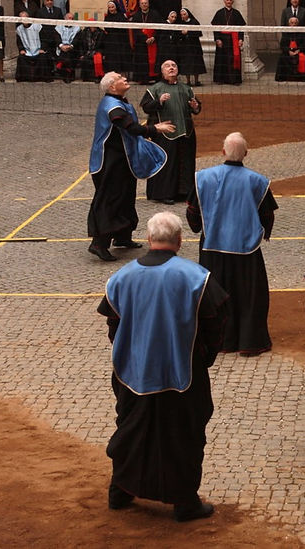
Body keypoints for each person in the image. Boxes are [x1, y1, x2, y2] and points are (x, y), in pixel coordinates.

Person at [100, 211, 229, 522]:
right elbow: (215, 323)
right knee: (183, 435)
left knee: (130, 430)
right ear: (180, 240)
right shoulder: (196, 277)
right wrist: (204, 357)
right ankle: (184, 502)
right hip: (182, 372)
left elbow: (113, 323)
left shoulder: (122, 277)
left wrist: (131, 350)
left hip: (132, 372)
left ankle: (121, 491)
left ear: (148, 239)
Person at [187, 132, 277, 356]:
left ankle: (221, 341)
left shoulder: (203, 178)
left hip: (212, 248)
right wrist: (264, 233)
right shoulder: (257, 181)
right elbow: (267, 214)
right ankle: (249, 342)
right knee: (250, 296)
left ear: (223, 151)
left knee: (215, 295)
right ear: (246, 153)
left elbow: (193, 212)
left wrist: (199, 227)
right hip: (247, 249)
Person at [87, 72, 174, 261]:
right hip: (108, 161)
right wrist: (154, 129)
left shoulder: (120, 101)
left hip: (123, 159)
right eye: (120, 78)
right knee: (110, 200)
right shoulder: (112, 106)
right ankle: (98, 243)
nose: (125, 78)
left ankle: (122, 236)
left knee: (126, 196)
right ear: (112, 87)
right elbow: (131, 128)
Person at [140, 60, 201, 204]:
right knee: (168, 164)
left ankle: (184, 192)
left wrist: (195, 106)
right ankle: (164, 193)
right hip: (164, 132)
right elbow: (146, 107)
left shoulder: (186, 88)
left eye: (174, 66)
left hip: (186, 132)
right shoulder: (155, 89)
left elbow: (196, 107)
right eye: (167, 66)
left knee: (186, 163)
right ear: (162, 72)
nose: (171, 68)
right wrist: (159, 101)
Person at [210, 0, 245, 85]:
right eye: (227, 0)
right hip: (222, 39)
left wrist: (240, 39)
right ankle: (220, 79)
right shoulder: (219, 13)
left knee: (233, 60)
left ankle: (234, 80)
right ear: (224, 2)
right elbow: (215, 27)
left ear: (233, 2)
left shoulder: (237, 13)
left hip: (233, 40)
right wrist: (217, 39)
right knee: (221, 59)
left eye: (230, 0)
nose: (229, 2)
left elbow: (241, 28)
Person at [131, 0, 161, 84]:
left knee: (154, 60)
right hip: (141, 43)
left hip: (153, 41)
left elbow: (159, 27)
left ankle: (154, 77)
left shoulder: (155, 14)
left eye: (146, 3)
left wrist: (153, 37)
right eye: (142, 3)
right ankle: (143, 79)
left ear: (148, 4)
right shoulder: (136, 15)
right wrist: (145, 39)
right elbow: (135, 30)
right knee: (142, 60)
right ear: (139, 5)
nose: (144, 5)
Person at [15, 11, 49, 82]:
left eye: (25, 18)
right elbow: (19, 42)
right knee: (21, 58)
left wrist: (43, 48)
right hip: (27, 50)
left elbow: (44, 38)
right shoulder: (19, 29)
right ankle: (24, 77)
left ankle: (42, 77)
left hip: (38, 50)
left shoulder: (37, 26)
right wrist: (21, 49)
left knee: (43, 57)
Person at [176, 8, 207, 86]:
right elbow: (177, 34)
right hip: (185, 47)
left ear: (188, 14)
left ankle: (196, 81)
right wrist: (182, 34)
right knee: (186, 64)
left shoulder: (194, 22)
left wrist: (188, 32)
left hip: (194, 47)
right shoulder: (180, 23)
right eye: (181, 15)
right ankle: (188, 81)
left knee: (196, 63)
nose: (183, 16)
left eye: (184, 14)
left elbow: (199, 33)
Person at [102, 0, 131, 75]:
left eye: (112, 7)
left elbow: (124, 29)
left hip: (120, 41)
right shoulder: (107, 17)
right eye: (109, 8)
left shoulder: (121, 16)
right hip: (110, 42)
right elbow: (106, 28)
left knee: (121, 59)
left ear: (116, 7)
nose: (111, 9)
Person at [275, 16, 305, 82]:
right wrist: (288, 51)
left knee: (302, 57)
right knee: (282, 57)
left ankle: (299, 77)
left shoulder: (301, 33)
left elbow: (304, 44)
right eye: (292, 23)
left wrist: (299, 50)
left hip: (298, 51)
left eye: (295, 23)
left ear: (297, 24)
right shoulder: (285, 33)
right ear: (289, 24)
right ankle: (285, 77)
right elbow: (282, 45)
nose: (293, 25)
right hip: (288, 51)